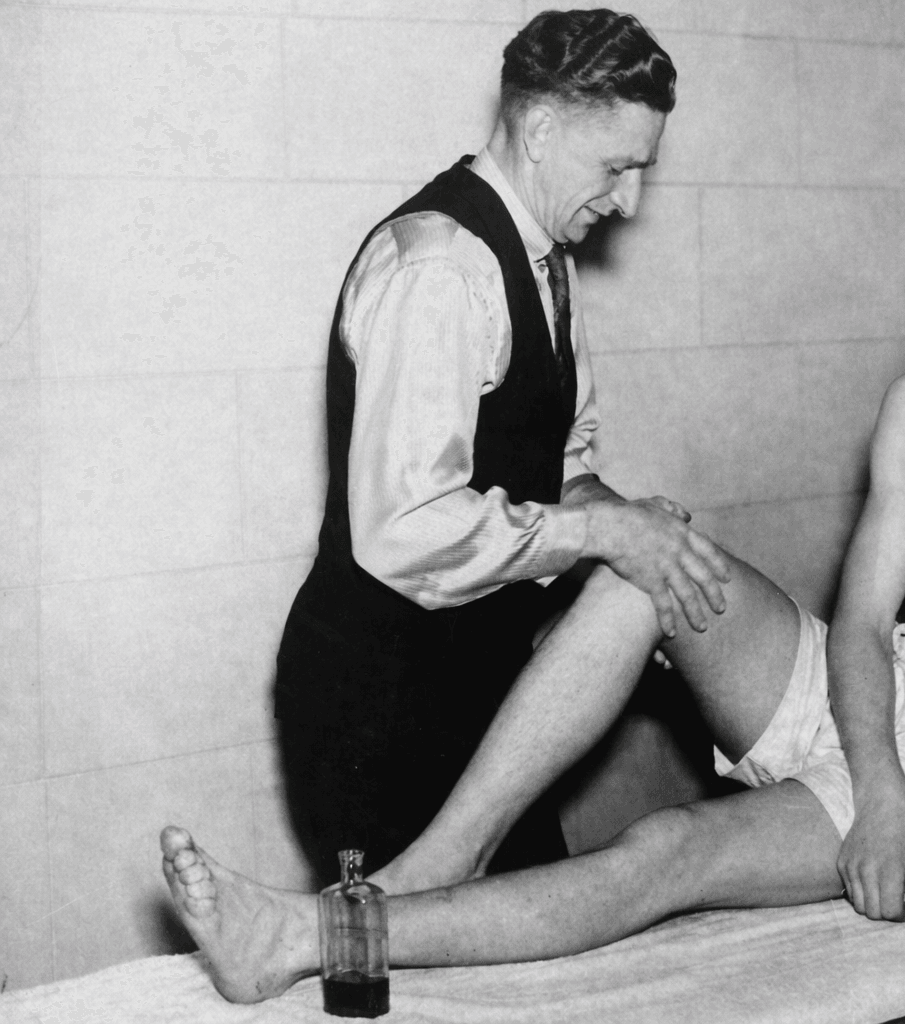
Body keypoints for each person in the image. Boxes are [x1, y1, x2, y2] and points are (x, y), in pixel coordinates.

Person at [161, 159, 905, 1004]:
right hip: (871, 688)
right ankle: (432, 866)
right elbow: (860, 620)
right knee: (647, 564)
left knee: (669, 847)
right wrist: (874, 783)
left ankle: (307, 936)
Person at [273, 8, 732, 885]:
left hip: (481, 694)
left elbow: (557, 462)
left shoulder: (546, 260)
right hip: (372, 705)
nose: (628, 202)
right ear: (541, 129)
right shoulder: (438, 266)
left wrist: (636, 534)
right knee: (392, 948)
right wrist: (600, 535)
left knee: (516, 930)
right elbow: (406, 528)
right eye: (617, 167)